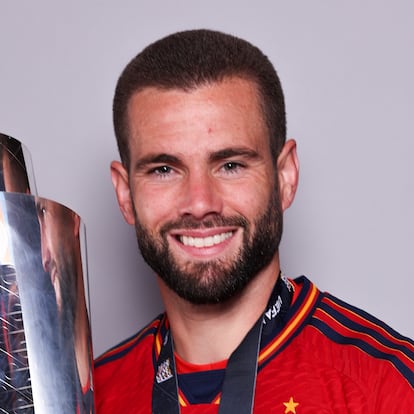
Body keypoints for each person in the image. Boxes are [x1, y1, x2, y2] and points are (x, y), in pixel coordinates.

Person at [94, 29, 414, 413]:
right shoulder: (89, 397)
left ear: (285, 177)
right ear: (126, 194)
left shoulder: (386, 386)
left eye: (230, 165)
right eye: (164, 169)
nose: (199, 204)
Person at [36, 198, 95, 413]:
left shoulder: (122, 371)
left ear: (73, 219)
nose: (45, 257)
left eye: (44, 213)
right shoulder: (57, 387)